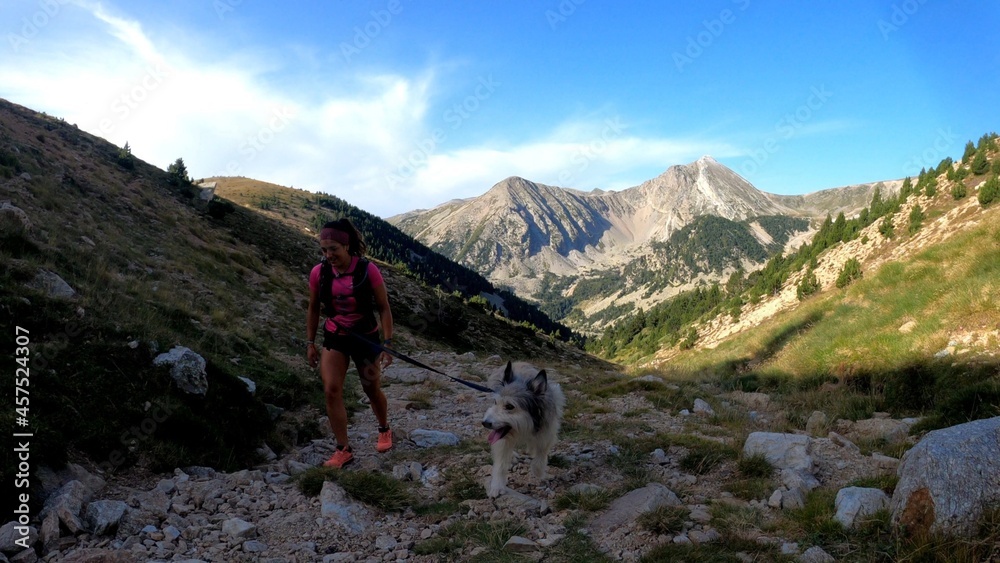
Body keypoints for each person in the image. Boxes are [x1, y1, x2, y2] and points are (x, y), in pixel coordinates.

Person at [306, 218, 394, 468]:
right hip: (335, 336)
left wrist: (387, 342)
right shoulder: (319, 273)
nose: (328, 255)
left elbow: (384, 308)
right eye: (324, 250)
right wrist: (310, 342)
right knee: (331, 390)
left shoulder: (368, 270)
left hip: (366, 337)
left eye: (333, 248)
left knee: (371, 389)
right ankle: (343, 449)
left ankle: (384, 428)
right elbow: (313, 308)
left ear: (346, 246)